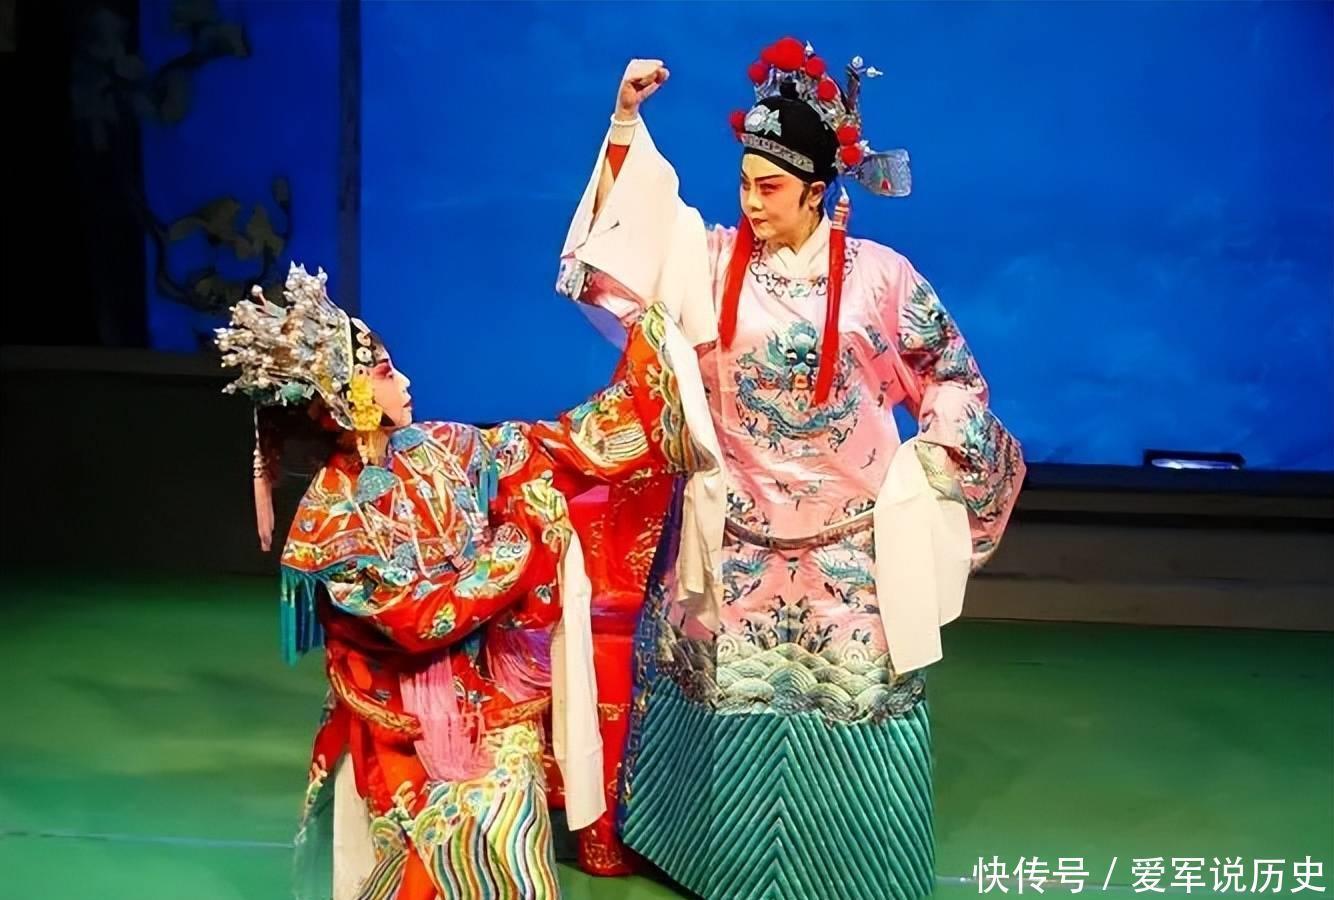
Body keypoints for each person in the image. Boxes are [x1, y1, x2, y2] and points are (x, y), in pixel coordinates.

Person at [554, 37, 1026, 900]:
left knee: (853, 703)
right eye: (743, 182)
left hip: (849, 549)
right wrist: (624, 124)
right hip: (733, 539)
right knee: (723, 701)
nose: (750, 200)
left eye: (769, 187)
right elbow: (614, 270)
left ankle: (855, 869)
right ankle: (718, 863)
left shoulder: (882, 279)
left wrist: (936, 449)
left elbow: (954, 377)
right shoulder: (706, 264)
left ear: (817, 188)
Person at [215, 263, 709, 899]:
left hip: (491, 701)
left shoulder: (442, 445)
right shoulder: (329, 525)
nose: (406, 380)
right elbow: (422, 621)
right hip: (403, 728)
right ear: (347, 397)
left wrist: (654, 353)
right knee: (424, 866)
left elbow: (550, 449)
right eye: (385, 372)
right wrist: (522, 542)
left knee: (512, 849)